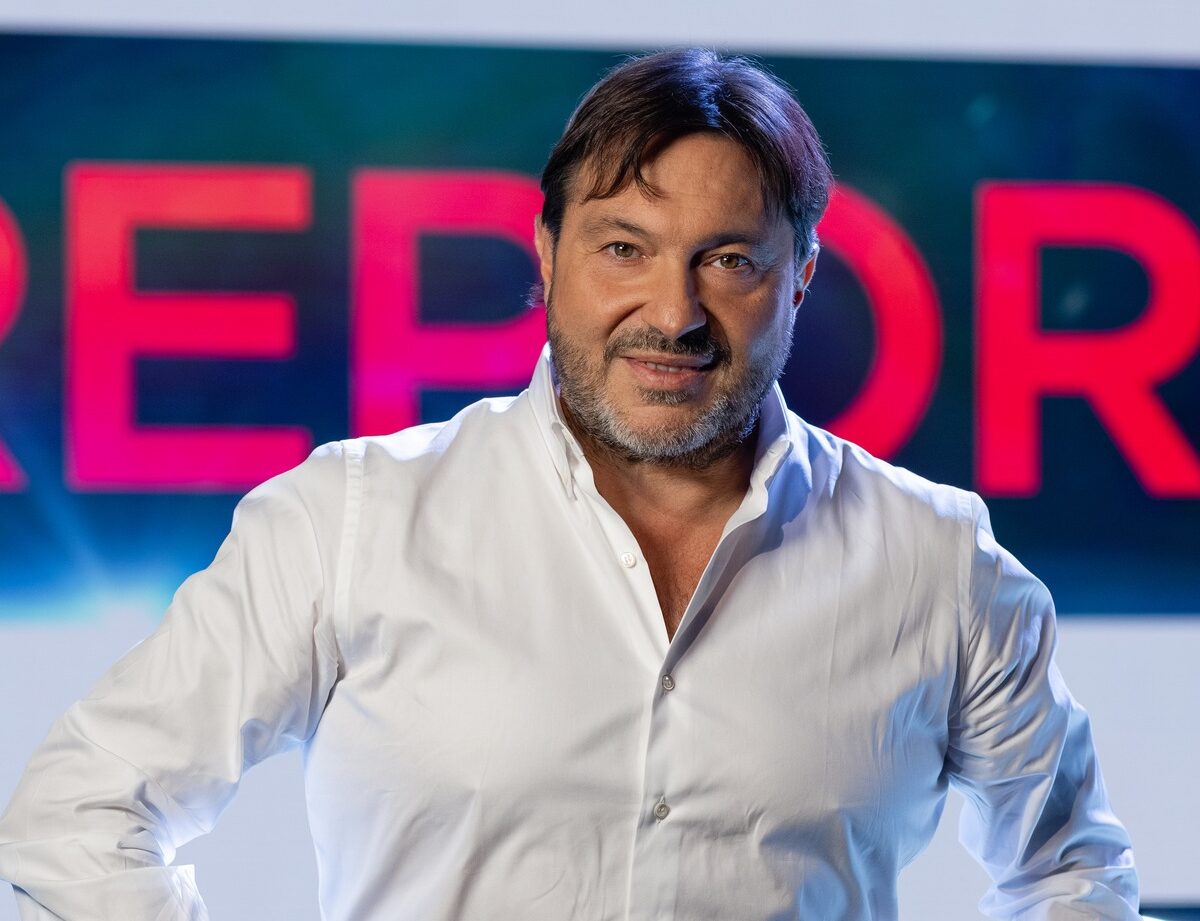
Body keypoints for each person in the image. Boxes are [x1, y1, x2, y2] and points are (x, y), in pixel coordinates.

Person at [0, 48, 1140, 920]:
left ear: (800, 279)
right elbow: (80, 813)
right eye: (623, 248)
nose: (674, 313)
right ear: (546, 257)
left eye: (728, 260)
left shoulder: (937, 564)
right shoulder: (350, 519)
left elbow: (1072, 876)